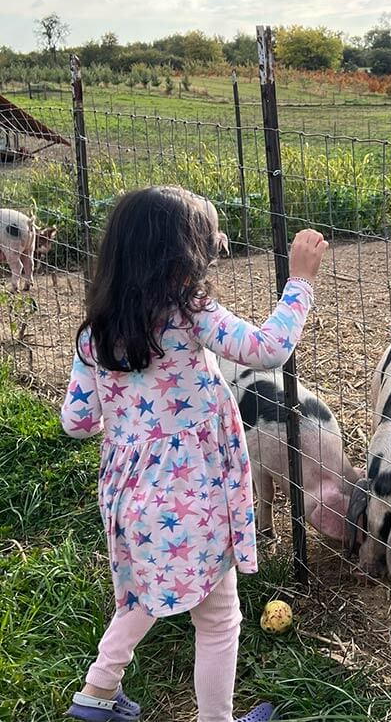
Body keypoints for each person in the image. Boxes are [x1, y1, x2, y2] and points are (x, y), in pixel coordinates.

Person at [60, 185, 328, 722]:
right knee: (219, 615)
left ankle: (96, 694)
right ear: (178, 258)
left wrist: (129, 415)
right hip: (194, 495)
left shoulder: (95, 333)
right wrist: (299, 281)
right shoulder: (188, 311)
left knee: (139, 593)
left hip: (129, 493)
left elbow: (77, 422)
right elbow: (267, 349)